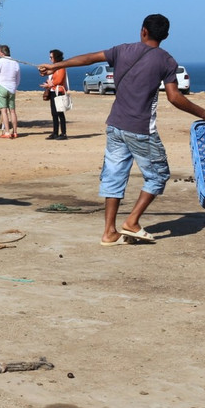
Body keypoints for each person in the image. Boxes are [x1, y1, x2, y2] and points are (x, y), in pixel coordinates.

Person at [38, 14, 205, 247]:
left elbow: (88, 59)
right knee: (158, 175)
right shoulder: (166, 61)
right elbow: (175, 97)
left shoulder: (122, 50)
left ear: (143, 31)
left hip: (115, 125)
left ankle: (109, 232)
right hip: (140, 129)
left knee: (114, 176)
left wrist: (55, 65)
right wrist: (203, 114)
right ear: (165, 36)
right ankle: (132, 222)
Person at [0, 44, 21, 138]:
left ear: (2, 53)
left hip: (2, 86)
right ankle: (15, 131)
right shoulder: (15, 62)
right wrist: (15, 86)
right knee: (13, 111)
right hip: (12, 88)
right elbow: (18, 77)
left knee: (4, 111)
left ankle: (7, 132)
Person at [42, 49, 69, 140]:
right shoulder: (55, 68)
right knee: (54, 113)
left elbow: (59, 80)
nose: (50, 59)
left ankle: (63, 133)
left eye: (51, 57)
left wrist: (50, 83)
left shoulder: (61, 68)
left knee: (60, 112)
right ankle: (55, 132)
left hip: (59, 92)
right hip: (53, 91)